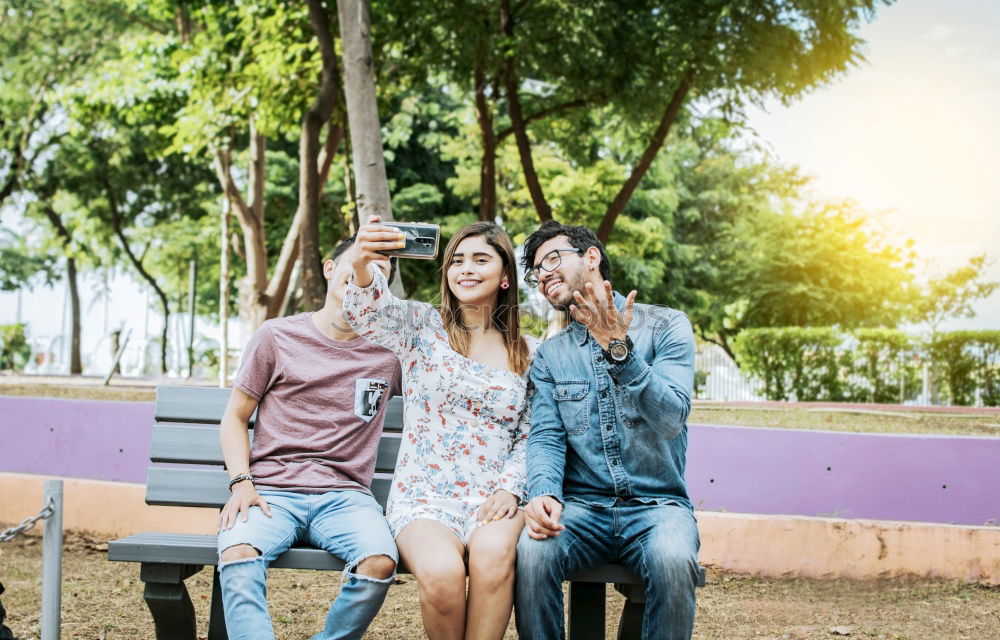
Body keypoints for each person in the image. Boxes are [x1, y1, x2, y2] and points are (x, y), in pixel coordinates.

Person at [343, 217, 537, 640]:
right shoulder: (420, 327)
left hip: (495, 498)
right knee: (443, 574)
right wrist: (362, 260)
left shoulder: (528, 353)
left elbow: (531, 434)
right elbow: (365, 311)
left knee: (493, 558)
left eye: (481, 259)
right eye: (457, 260)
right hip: (424, 497)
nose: (465, 269)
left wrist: (510, 488)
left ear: (505, 277)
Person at [514, 220, 700, 640]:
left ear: (592, 256)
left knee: (673, 560)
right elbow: (546, 435)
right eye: (536, 271)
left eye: (552, 259)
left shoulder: (667, 326)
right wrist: (542, 492)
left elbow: (672, 418)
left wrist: (620, 350)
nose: (543, 274)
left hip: (658, 507)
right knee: (532, 551)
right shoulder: (551, 356)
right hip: (581, 509)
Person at [215, 237, 402, 640]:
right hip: (271, 492)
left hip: (345, 495)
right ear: (330, 268)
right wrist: (241, 482)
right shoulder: (276, 336)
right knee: (238, 553)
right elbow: (235, 416)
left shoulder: (390, 354)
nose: (364, 277)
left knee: (380, 561)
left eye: (378, 275)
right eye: (357, 263)